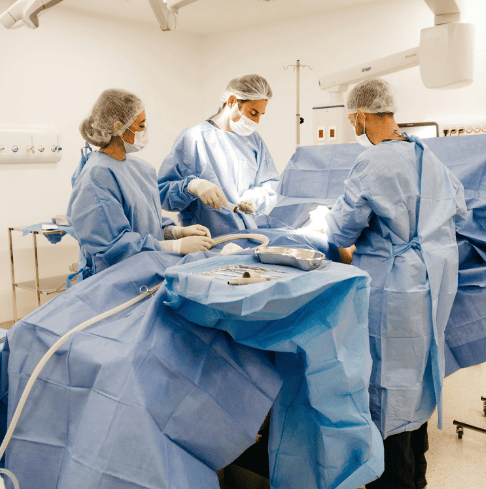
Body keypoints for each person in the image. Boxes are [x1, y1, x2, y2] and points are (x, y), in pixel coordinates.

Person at [307, 78, 468, 489]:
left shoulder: (374, 162)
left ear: (360, 115)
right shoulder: (428, 155)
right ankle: (417, 478)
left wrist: (323, 220)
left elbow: (342, 230)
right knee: (414, 385)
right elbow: (457, 207)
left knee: (387, 387)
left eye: (351, 119)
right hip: (431, 280)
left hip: (394, 288)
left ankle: (392, 480)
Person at [67, 89, 213, 279]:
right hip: (116, 281)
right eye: (141, 125)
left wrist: (175, 232)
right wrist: (173, 247)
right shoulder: (96, 176)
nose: (145, 131)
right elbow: (113, 247)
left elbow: (147, 224)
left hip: (150, 271)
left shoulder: (141, 169)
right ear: (119, 127)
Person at [158, 74, 280, 235]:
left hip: (248, 238)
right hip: (206, 241)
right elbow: (163, 194)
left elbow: (269, 183)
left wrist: (255, 197)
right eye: (253, 113)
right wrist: (192, 187)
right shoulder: (193, 138)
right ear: (232, 102)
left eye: (260, 115)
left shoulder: (254, 141)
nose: (256, 121)